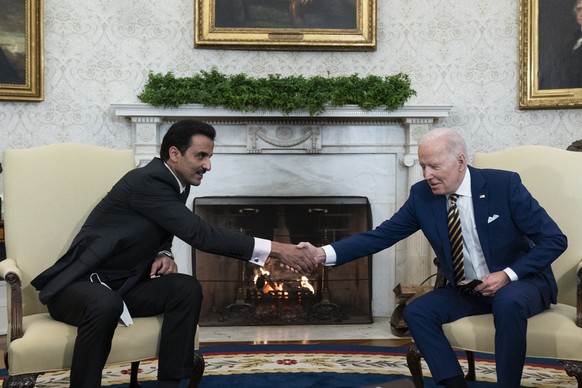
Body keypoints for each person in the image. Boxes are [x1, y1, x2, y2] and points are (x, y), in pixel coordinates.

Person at [31, 119, 317, 388]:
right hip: (80, 287)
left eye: (209, 157)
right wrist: (278, 250)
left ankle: (170, 383)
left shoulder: (176, 182)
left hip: (125, 286)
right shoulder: (148, 181)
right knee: (105, 304)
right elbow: (200, 235)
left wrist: (164, 251)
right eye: (201, 156)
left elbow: (161, 224)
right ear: (174, 154)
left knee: (185, 288)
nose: (208, 165)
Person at [299, 127, 567, 387]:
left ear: (460, 161)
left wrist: (507, 275)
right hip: (469, 291)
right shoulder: (422, 196)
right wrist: (323, 253)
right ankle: (454, 384)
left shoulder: (503, 185)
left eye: (434, 166)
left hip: (522, 284)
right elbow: (380, 236)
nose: (427, 174)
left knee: (508, 302)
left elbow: (555, 240)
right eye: (422, 166)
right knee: (416, 311)